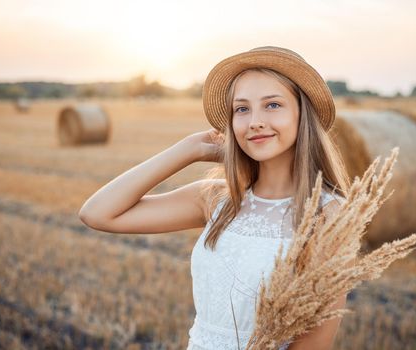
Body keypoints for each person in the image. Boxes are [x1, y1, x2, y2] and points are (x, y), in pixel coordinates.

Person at [79, 46, 351, 350]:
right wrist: (191, 148)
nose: (255, 121)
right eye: (242, 109)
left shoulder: (328, 217)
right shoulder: (217, 199)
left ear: (303, 115)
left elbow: (313, 345)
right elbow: (97, 213)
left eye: (273, 105)